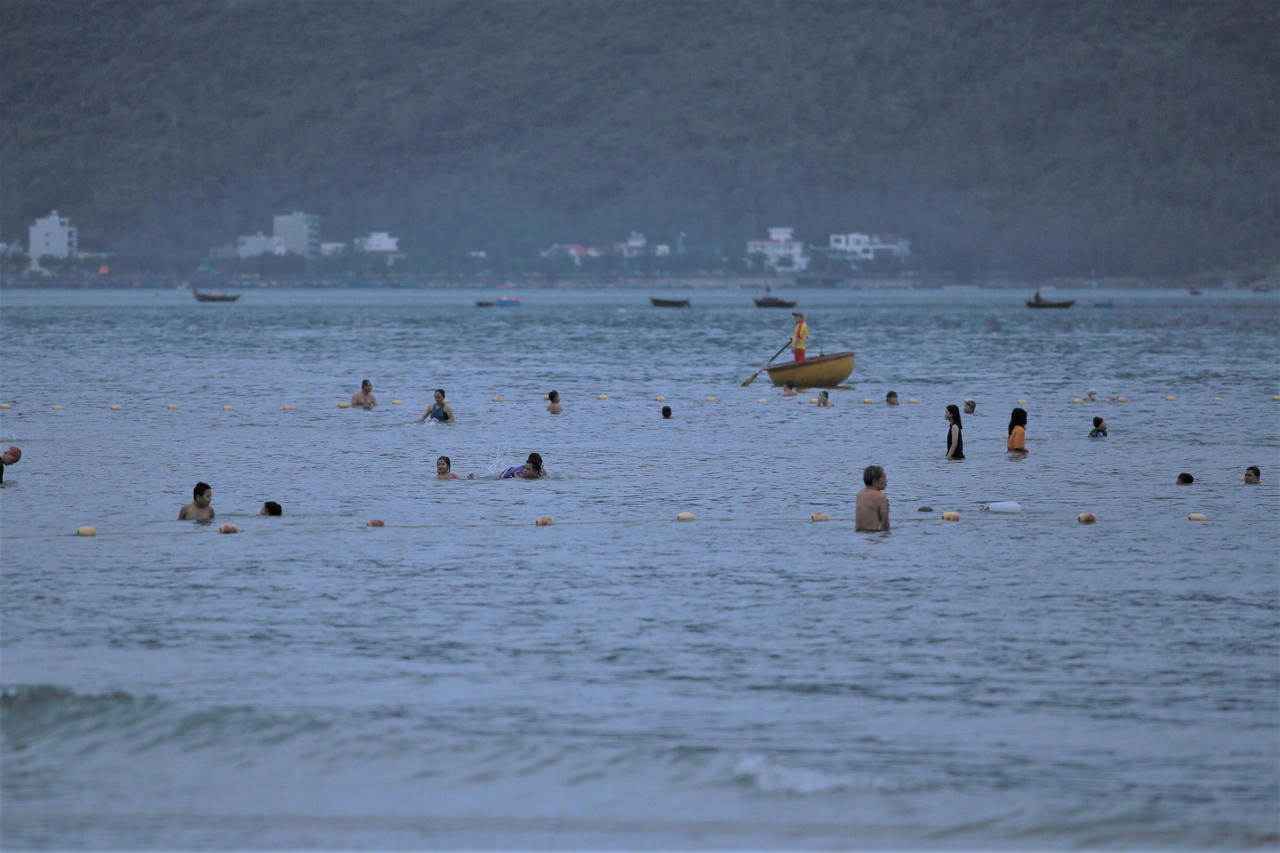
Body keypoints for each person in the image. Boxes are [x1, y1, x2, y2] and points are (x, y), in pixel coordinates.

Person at [855, 465, 890, 532]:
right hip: (873, 534)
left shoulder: (860, 494)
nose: (886, 481)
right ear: (875, 481)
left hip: (858, 533)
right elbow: (885, 525)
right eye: (884, 478)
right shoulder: (880, 496)